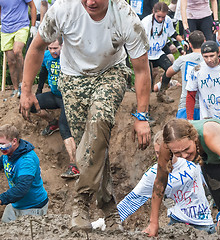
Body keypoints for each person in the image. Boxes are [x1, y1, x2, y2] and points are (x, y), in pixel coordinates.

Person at [20, 0, 151, 232]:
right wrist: (27, 89)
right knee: (89, 147)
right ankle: (110, 211)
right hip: (72, 79)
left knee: (99, 123)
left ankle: (80, 204)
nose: (91, 2)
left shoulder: (125, 16)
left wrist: (142, 116)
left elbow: (141, 68)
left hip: (111, 72)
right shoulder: (63, 8)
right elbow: (37, 46)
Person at [144, 118, 220, 239]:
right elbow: (159, 182)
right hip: (214, 160)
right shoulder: (166, 146)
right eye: (177, 153)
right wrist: (153, 223)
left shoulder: (208, 135)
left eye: (187, 149)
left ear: (194, 138)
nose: (184, 156)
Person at [118, 130, 216, 234]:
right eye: (157, 153)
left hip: (204, 223)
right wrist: (110, 221)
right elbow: (132, 199)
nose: (160, 157)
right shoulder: (153, 173)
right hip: (178, 224)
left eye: (162, 153)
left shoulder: (189, 159)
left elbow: (208, 179)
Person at [28, 38, 79, 179]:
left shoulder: (70, 56)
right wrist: (38, 91)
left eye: (56, 48)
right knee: (31, 105)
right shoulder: (46, 56)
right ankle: (52, 122)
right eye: (50, 48)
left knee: (65, 128)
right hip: (54, 95)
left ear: (63, 45)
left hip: (68, 98)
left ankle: (74, 166)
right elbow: (43, 71)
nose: (53, 51)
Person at [0, 124, 48, 223]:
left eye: (2, 144)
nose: (0, 147)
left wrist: (1, 199)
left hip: (33, 207)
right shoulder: (8, 153)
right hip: (16, 204)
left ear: (14, 141)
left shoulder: (26, 160)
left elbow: (22, 188)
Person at [142, 2, 187, 104]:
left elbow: (173, 34)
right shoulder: (146, 22)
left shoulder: (167, 20)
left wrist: (183, 41)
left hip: (158, 52)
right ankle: (145, 104)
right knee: (147, 79)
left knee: (170, 69)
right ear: (153, 12)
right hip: (146, 54)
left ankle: (161, 93)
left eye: (163, 17)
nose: (161, 19)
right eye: (158, 17)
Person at [165, 30, 205, 120]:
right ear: (204, 42)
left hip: (186, 104)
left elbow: (168, 73)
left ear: (190, 44)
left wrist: (163, 87)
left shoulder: (183, 59)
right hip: (205, 106)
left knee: (182, 132)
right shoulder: (209, 60)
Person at [0, 0, 37, 98]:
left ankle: (23, 84)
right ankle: (15, 89)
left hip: (21, 26)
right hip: (6, 29)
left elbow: (33, 6)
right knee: (11, 61)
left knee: (17, 51)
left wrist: (33, 26)